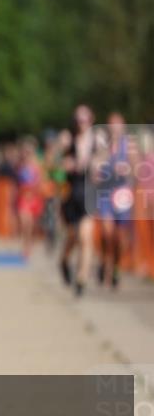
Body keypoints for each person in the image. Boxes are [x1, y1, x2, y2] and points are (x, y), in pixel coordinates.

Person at [59, 104, 96, 297]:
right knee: (73, 238)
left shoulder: (97, 143)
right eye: (79, 120)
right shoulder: (68, 141)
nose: (82, 124)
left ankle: (81, 279)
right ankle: (64, 261)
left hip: (89, 195)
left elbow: (104, 165)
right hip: (71, 195)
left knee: (86, 238)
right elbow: (54, 164)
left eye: (86, 120)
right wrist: (66, 164)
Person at [95, 112, 135, 289]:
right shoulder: (103, 146)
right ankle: (104, 261)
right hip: (105, 193)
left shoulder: (130, 145)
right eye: (112, 125)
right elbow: (95, 170)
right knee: (106, 233)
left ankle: (117, 267)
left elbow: (137, 170)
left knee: (119, 238)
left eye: (118, 125)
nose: (115, 129)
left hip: (122, 195)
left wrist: (126, 169)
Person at [15, 136, 44, 258]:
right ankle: (25, 246)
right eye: (24, 150)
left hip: (34, 197)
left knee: (32, 224)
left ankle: (29, 244)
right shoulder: (20, 164)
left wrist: (34, 190)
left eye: (29, 150)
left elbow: (40, 180)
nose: (26, 153)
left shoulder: (37, 164)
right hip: (23, 197)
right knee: (24, 222)